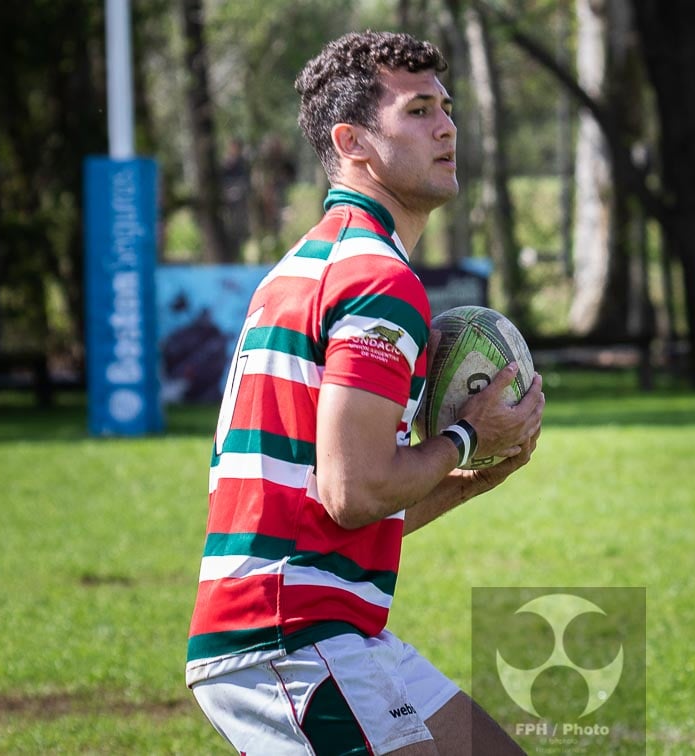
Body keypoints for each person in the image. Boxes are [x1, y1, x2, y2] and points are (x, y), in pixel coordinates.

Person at [185, 30, 544, 755]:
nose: (446, 126)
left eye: (446, 107)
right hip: (289, 635)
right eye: (417, 111)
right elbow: (353, 492)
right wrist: (466, 435)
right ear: (353, 141)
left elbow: (330, 518)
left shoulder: (316, 261)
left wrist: (466, 474)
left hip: (323, 619)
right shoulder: (377, 280)